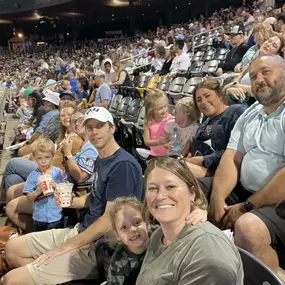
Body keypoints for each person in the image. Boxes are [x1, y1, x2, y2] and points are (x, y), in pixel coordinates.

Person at [3, 107, 143, 285]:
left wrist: (64, 248)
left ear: (112, 128)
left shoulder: (123, 166)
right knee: (12, 249)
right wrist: (71, 202)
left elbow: (110, 220)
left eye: (99, 126)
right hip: (82, 230)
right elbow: (97, 197)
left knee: (10, 280)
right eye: (90, 127)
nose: (94, 132)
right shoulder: (103, 158)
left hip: (97, 245)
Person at [198, 55, 285, 272]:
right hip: (246, 191)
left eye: (266, 72)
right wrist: (217, 199)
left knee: (248, 227)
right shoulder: (250, 114)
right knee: (188, 190)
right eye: (253, 76)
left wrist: (247, 207)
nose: (259, 80)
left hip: (279, 200)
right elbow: (231, 158)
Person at [136, 157, 243, 285]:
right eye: (152, 188)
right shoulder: (157, 236)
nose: (160, 196)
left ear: (192, 193)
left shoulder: (207, 250)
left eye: (170, 186)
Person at [107, 195, 207, 285]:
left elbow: (185, 227)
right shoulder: (118, 262)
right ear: (117, 235)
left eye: (137, 222)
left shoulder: (162, 234)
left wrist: (200, 213)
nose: (133, 229)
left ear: (146, 222)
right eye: (124, 227)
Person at [185, 78, 246, 178]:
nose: (204, 102)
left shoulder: (236, 112)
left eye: (207, 96)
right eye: (199, 100)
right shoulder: (206, 122)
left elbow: (237, 151)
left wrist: (202, 160)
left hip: (223, 175)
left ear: (220, 96)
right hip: (201, 169)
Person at [23, 138, 68, 232]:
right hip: (39, 217)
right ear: (35, 158)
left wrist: (57, 186)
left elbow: (67, 191)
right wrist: (37, 192)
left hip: (56, 216)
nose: (43, 161)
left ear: (52, 156)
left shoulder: (58, 172)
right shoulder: (33, 176)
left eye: (47, 157)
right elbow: (28, 198)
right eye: (39, 158)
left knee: (55, 241)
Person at [143, 89, 173, 157]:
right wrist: (159, 142)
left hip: (169, 155)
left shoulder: (171, 120)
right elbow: (147, 142)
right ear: (151, 110)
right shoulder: (148, 122)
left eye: (165, 106)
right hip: (154, 155)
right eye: (160, 108)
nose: (164, 110)